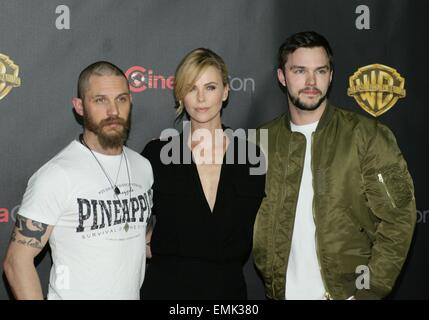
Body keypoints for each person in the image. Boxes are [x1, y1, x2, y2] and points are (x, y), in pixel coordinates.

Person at [252, 31, 416, 300]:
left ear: (331, 76)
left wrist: (366, 294)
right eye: (299, 70)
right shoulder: (260, 142)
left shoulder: (367, 136)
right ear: (282, 77)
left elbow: (399, 219)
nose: (311, 81)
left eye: (320, 71)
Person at [3, 61, 153, 300]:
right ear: (80, 106)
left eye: (121, 99)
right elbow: (16, 262)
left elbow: (137, 238)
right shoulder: (56, 175)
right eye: (100, 100)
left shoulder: (142, 167)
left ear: (130, 102)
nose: (113, 111)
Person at [141, 48, 266, 299]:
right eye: (191, 88)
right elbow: (132, 217)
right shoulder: (157, 154)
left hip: (228, 292)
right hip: (167, 290)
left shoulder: (251, 156)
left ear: (226, 91)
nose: (200, 98)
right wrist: (145, 240)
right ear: (180, 95)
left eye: (210, 87)